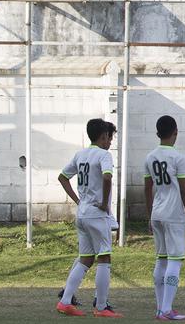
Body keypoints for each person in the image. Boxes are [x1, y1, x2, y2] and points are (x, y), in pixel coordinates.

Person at [56, 119, 121, 318]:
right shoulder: (104, 155)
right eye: (110, 137)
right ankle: (101, 307)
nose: (110, 142)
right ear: (103, 136)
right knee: (104, 257)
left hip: (82, 213)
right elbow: (107, 177)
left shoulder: (80, 154)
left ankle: (65, 302)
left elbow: (62, 177)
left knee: (85, 259)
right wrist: (104, 204)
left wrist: (78, 200)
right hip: (96, 213)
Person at [144, 115, 185, 321]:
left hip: (157, 213)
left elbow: (147, 189)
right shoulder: (178, 157)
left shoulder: (150, 157)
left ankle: (161, 308)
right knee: (174, 260)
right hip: (174, 214)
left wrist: (149, 217)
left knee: (162, 259)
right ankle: (166, 309)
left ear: (157, 133)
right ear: (175, 132)